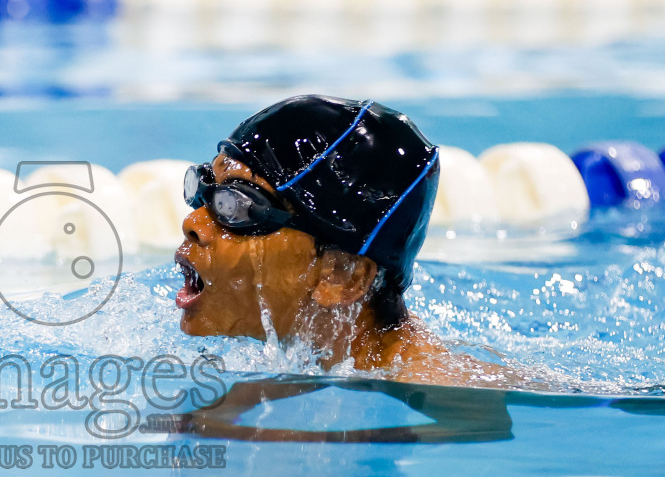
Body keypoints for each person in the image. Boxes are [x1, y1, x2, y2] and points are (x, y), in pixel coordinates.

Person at [174, 94, 518, 388]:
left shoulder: (441, 394)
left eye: (239, 207)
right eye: (206, 189)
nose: (194, 222)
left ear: (343, 276)